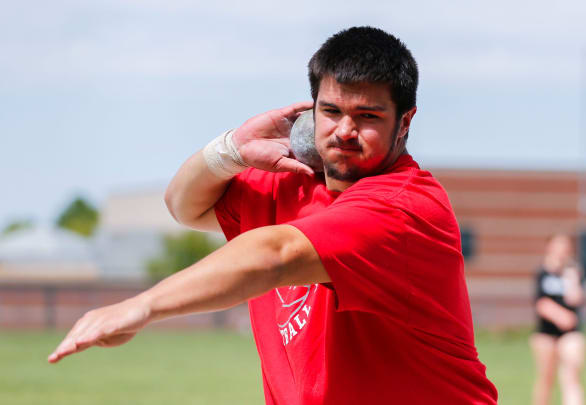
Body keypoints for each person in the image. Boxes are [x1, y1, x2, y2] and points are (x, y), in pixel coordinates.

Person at [48, 27, 498, 404]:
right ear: (310, 113)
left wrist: (141, 306)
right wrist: (231, 149)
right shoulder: (290, 183)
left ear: (405, 122)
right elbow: (183, 204)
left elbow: (275, 253)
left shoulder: (404, 205)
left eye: (367, 116)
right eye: (331, 111)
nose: (344, 130)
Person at [530, 234, 586, 405]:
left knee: (571, 376)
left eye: (566, 247)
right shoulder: (542, 273)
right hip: (546, 333)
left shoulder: (574, 272)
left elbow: (576, 300)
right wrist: (560, 315)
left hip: (570, 332)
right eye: (559, 246)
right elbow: (540, 302)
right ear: (550, 248)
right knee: (546, 378)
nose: (562, 251)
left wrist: (573, 279)